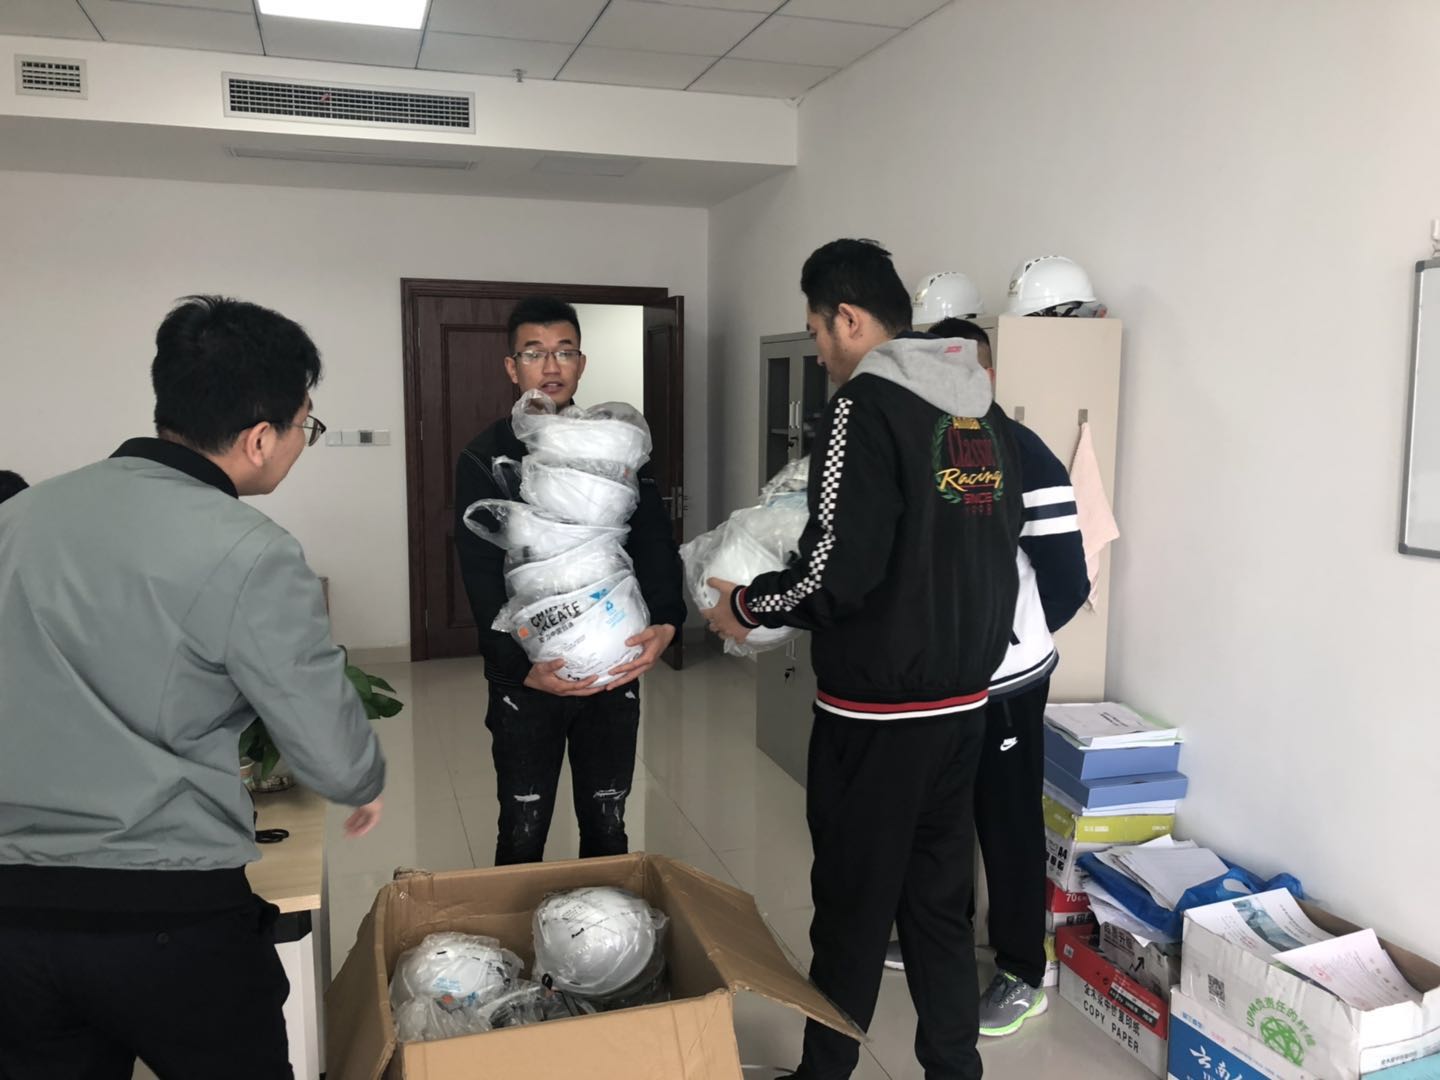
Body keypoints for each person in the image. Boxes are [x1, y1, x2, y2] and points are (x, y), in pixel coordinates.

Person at [0, 296, 386, 1079]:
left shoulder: (20, 515)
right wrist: (363, 779)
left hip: (13, 917)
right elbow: (329, 752)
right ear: (259, 438)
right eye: (305, 426)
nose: (302, 443)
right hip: (167, 917)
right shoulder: (251, 550)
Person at [705, 240, 1022, 1080]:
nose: (818, 351)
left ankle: (824, 1073)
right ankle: (954, 1068)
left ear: (848, 318)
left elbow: (833, 573)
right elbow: (996, 545)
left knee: (850, 908)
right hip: (963, 707)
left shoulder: (864, 405)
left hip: (876, 716)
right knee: (940, 909)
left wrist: (745, 605)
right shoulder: (982, 411)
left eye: (816, 331)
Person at [881, 317, 1090, 1039]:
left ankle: (1022, 970)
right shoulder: (915, 448)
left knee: (1005, 821)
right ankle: (940, 932)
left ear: (988, 376)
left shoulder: (1024, 453)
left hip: (1005, 683)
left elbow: (1066, 580)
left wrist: (1006, 638)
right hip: (933, 683)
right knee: (938, 813)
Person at [454, 296, 685, 866]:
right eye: (534, 353)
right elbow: (480, 569)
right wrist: (517, 667)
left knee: (608, 824)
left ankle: (605, 923)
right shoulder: (486, 455)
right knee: (522, 828)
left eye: (564, 351)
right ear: (512, 367)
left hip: (612, 660)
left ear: (582, 363)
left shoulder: (615, 445)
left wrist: (667, 619)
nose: (551, 366)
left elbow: (651, 536)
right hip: (527, 674)